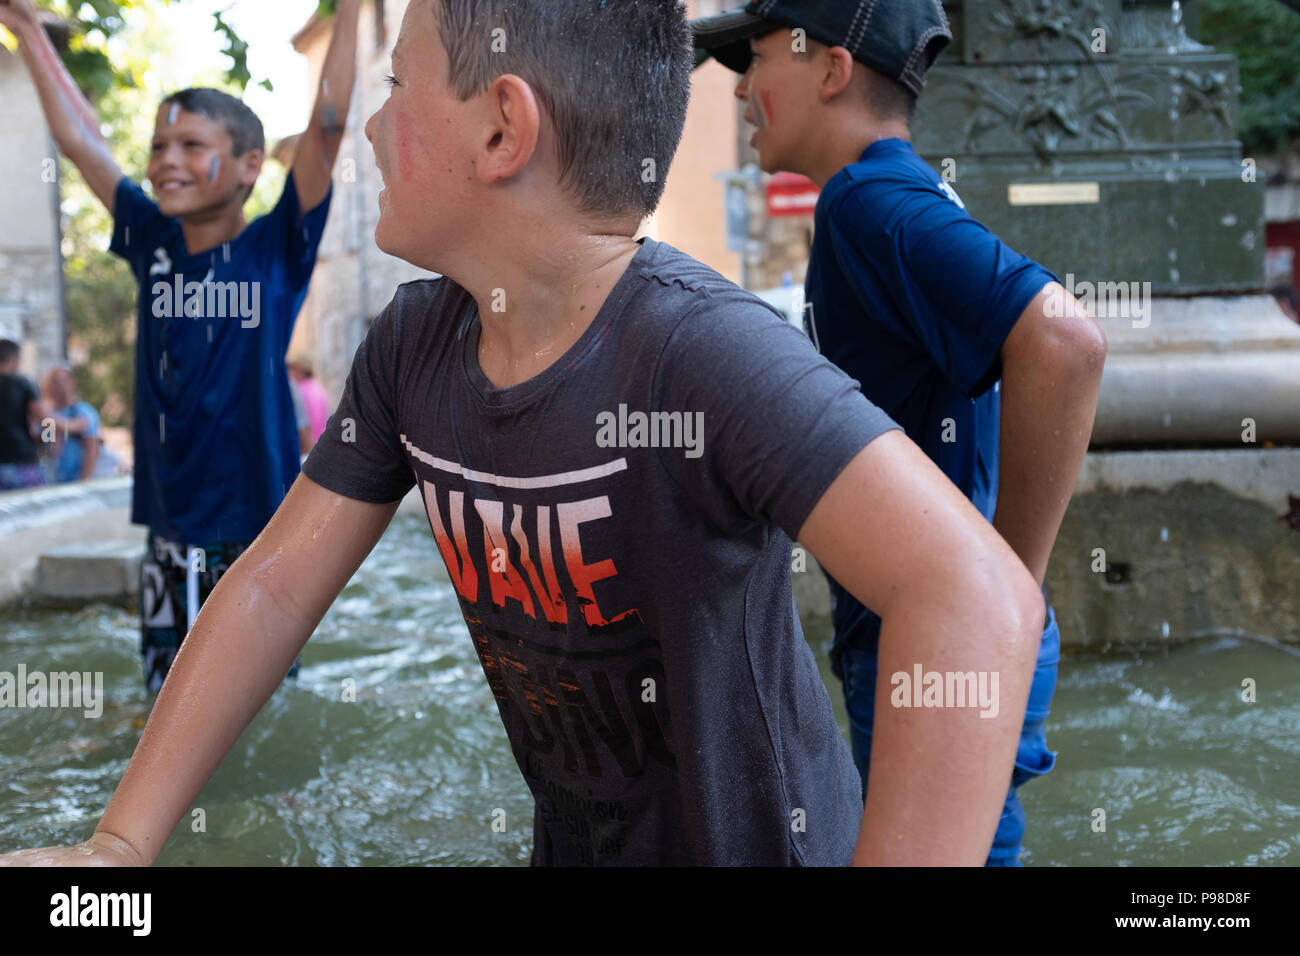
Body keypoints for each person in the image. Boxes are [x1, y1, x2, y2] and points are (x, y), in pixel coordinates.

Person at [0, 0, 1046, 868]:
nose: (370, 127)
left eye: (399, 89)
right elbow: (271, 585)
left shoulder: (700, 351)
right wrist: (119, 846)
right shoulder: (414, 345)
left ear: (503, 129)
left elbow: (974, 591)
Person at [693, 0, 1108, 865]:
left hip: (934, 638)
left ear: (833, 71)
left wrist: (1007, 594)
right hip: (939, 632)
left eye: (757, 60)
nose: (741, 92)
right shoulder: (897, 189)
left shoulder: (864, 200)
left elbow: (1064, 340)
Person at [0, 0, 361, 693]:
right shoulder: (151, 242)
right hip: (168, 540)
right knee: (162, 703)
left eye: (193, 146)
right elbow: (81, 139)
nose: (167, 161)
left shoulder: (276, 248)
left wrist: (347, 10)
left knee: (255, 708)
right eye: (160, 148)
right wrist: (26, 33)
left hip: (257, 537)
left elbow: (328, 124)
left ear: (250, 165)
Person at [0, 338, 49, 491]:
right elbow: (47, 420)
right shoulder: (23, 383)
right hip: (21, 462)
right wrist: (49, 444)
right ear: (14, 359)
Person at [41, 365, 100, 483]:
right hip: (49, 480)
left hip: (75, 480)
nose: (54, 387)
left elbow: (92, 450)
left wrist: (83, 482)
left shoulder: (83, 411)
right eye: (51, 382)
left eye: (58, 382)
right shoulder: (46, 412)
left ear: (71, 383)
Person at [287, 355, 330, 447]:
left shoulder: (300, 390)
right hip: (321, 442)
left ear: (300, 371)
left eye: (291, 369)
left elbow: (305, 422)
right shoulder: (318, 387)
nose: (289, 373)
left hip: (309, 444)